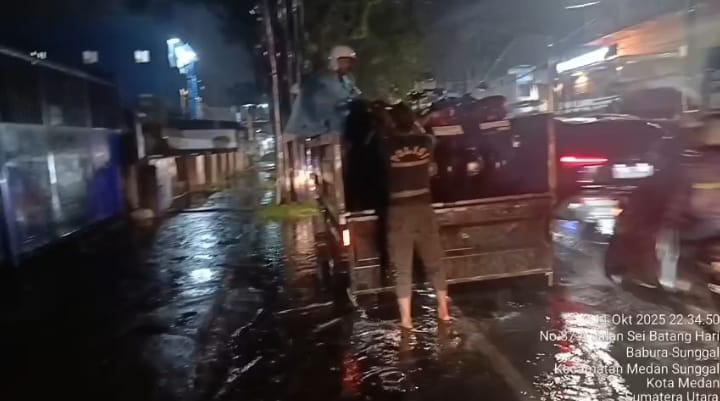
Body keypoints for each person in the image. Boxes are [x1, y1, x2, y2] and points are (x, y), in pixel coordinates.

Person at [383, 102, 450, 329]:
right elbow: (427, 135)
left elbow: (377, 149)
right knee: (435, 262)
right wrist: (416, 124)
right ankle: (443, 311)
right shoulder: (426, 142)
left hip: (399, 211)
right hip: (424, 208)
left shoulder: (386, 145)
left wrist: (390, 126)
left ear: (393, 123)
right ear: (412, 122)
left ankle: (406, 320)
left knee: (402, 269)